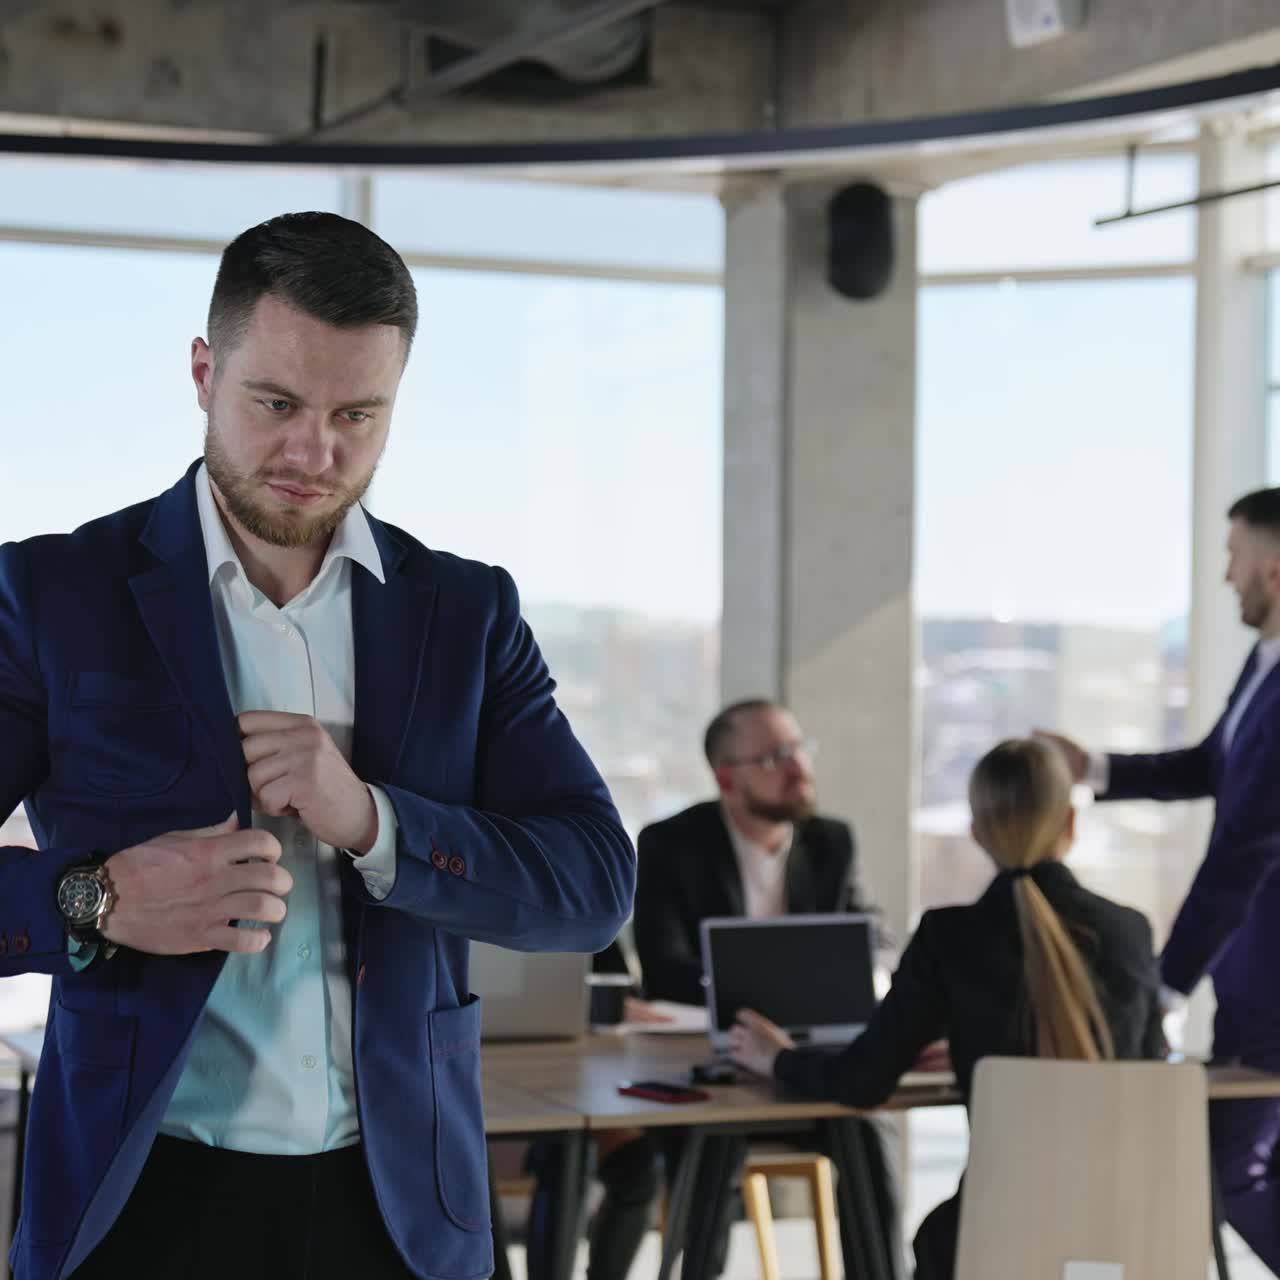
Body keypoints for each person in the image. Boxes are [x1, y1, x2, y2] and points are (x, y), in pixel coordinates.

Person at [0, 212, 635, 1280]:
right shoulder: (50, 595)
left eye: (357, 414)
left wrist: (374, 820)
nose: (314, 452)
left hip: (398, 1214)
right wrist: (97, 895)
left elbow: (592, 884)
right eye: (277, 404)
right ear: (204, 372)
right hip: (137, 1197)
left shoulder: (466, 614)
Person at [728, 737, 1165, 1280]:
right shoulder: (1130, 931)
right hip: (1133, 1226)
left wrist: (779, 1058)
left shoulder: (950, 936)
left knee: (936, 1237)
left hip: (996, 1233)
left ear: (978, 832)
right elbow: (1152, 1075)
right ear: (1070, 823)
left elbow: (862, 1082)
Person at [1037, 485, 1280, 1273]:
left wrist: (1170, 986)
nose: (1225, 577)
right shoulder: (1266, 663)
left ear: (1272, 569)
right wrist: (1094, 768)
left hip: (1272, 984)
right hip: (1254, 977)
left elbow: (1244, 851)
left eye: (1233, 557)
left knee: (1227, 1171)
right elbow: (1215, 764)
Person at [596, 699, 897, 1280]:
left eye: (800, 748)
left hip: (810, 1064)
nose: (799, 767)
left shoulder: (833, 842)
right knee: (708, 1140)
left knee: (866, 1124)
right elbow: (666, 969)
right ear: (727, 777)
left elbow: (870, 943)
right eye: (776, 756)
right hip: (712, 1067)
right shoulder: (670, 843)